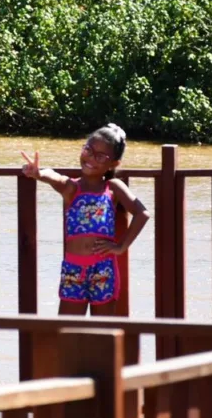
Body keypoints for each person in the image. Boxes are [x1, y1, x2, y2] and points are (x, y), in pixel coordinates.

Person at [20, 123, 150, 315]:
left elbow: (142, 213)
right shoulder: (72, 188)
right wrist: (39, 174)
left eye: (100, 156)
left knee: (102, 333)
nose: (90, 158)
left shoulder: (112, 187)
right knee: (69, 330)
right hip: (73, 269)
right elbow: (54, 176)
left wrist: (121, 246)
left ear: (113, 164)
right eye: (88, 149)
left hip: (104, 269)